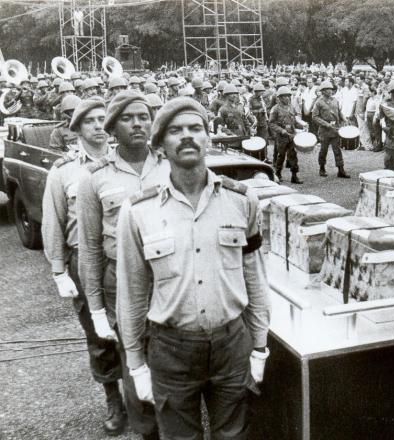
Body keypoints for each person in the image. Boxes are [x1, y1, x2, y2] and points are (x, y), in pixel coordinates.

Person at [116, 97, 270, 440]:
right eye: (175, 131)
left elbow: (254, 278)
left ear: (208, 138)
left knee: (234, 435)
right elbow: (132, 293)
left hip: (232, 343)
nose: (187, 137)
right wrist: (135, 363)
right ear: (160, 145)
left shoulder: (242, 200)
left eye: (195, 128)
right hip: (171, 349)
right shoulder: (138, 211)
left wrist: (259, 345)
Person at [77, 90, 169, 440]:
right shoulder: (94, 177)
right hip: (122, 282)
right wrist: (97, 308)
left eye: (143, 116)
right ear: (113, 127)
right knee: (135, 361)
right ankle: (148, 431)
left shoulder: (169, 163)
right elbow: (89, 247)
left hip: (169, 276)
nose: (137, 124)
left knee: (173, 356)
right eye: (128, 118)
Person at [41, 98, 125, 436]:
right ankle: (114, 401)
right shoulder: (64, 171)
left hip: (123, 257)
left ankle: (141, 396)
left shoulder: (123, 162)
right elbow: (53, 221)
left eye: (102, 119)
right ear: (76, 129)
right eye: (89, 121)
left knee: (138, 327)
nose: (97, 126)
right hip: (85, 260)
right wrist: (59, 270)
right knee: (99, 334)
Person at [268, 86, 307, 183]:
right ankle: (277, 174)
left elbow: (294, 120)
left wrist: (302, 126)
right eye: (285, 96)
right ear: (280, 98)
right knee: (281, 156)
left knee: (293, 155)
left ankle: (294, 176)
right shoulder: (275, 109)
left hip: (291, 135)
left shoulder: (291, 107)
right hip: (282, 136)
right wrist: (281, 131)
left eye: (288, 96)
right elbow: (271, 123)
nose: (287, 98)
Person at [312, 80, 350, 178]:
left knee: (337, 150)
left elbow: (339, 111)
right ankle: (322, 168)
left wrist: (344, 118)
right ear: (323, 91)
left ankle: (341, 170)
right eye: (327, 89)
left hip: (335, 129)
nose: (330, 91)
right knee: (323, 150)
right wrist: (326, 124)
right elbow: (315, 116)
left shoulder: (335, 100)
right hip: (325, 130)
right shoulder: (318, 102)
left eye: (331, 89)